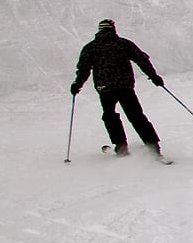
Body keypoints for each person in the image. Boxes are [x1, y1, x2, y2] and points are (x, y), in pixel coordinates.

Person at [70, 18, 164, 157]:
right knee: (136, 116)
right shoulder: (123, 44)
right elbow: (141, 59)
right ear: (113, 29)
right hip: (125, 86)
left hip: (104, 88)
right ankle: (153, 147)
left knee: (110, 115)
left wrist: (77, 85)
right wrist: (154, 76)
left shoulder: (91, 47)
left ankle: (121, 147)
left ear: (99, 30)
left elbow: (83, 69)